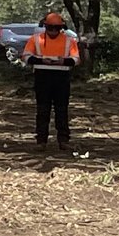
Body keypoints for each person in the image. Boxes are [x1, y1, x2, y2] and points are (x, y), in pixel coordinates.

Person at [22, 10, 81, 149]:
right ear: (45, 26)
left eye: (57, 28)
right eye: (50, 28)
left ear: (62, 28)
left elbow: (76, 59)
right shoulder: (36, 39)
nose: (53, 31)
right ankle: (41, 141)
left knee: (62, 110)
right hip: (42, 77)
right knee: (43, 109)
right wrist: (42, 60)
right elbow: (25, 56)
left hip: (62, 78)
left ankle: (63, 141)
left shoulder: (69, 41)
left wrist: (63, 62)